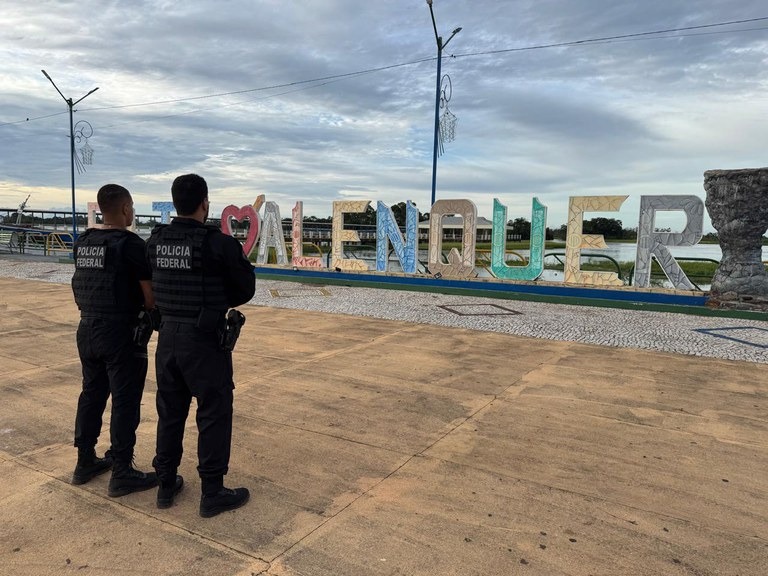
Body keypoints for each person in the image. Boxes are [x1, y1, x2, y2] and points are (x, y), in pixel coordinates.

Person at [147, 173, 255, 516]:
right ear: (205, 203)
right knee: (213, 413)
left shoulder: (156, 241)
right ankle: (212, 492)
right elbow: (244, 290)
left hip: (167, 339)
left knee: (170, 412)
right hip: (204, 341)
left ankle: (165, 483)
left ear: (175, 202)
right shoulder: (218, 243)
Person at [71, 184, 158, 497]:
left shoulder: (84, 241)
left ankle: (84, 462)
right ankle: (122, 470)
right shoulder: (131, 244)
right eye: (131, 208)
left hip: (87, 328)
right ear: (125, 209)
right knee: (124, 401)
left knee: (91, 395)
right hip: (121, 333)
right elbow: (149, 298)